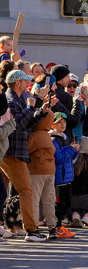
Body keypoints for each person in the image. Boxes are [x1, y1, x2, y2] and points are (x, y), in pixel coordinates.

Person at [3, 69, 46, 241]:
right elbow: (18, 124)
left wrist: (40, 112)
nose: (29, 83)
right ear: (18, 83)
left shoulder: (18, 98)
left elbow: (26, 122)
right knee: (26, 191)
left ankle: (9, 226)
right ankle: (32, 230)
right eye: (26, 81)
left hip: (14, 151)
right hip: (12, 152)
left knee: (3, 192)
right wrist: (30, 107)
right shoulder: (10, 99)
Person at [27, 110, 59, 239]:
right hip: (50, 171)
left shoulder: (36, 135)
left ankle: (34, 226)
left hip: (36, 170)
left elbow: (27, 149)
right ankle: (52, 227)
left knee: (34, 200)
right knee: (49, 200)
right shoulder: (47, 135)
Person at [49, 113, 78, 236]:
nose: (62, 125)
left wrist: (76, 150)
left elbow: (70, 158)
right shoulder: (53, 140)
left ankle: (60, 225)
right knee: (59, 204)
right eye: (59, 122)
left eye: (64, 122)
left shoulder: (65, 138)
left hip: (67, 177)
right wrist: (71, 149)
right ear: (53, 125)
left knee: (67, 203)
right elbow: (59, 158)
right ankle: (57, 226)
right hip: (59, 178)